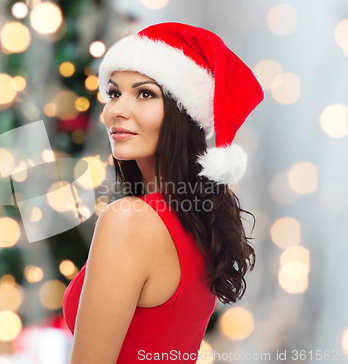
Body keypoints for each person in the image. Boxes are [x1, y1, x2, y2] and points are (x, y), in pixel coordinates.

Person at [62, 22, 264, 364]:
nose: (117, 111)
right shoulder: (202, 214)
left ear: (183, 111)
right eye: (114, 93)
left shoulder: (129, 222)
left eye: (144, 94)